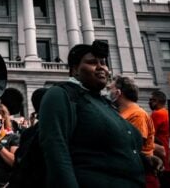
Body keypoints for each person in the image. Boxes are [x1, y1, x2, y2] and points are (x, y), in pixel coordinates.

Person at [39, 40, 155, 188]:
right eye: (93, 62)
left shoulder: (106, 104)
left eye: (103, 63)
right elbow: (55, 149)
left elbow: (108, 150)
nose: (101, 67)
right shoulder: (62, 94)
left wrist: (144, 161)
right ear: (75, 69)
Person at [108, 75, 158, 188]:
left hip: (142, 177)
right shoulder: (122, 113)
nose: (107, 92)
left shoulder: (137, 114)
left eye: (110, 89)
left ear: (118, 93)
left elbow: (133, 147)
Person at [149, 90, 170, 188]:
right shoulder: (169, 114)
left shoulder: (157, 114)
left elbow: (149, 135)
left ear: (156, 101)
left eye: (151, 100)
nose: (149, 102)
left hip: (163, 163)